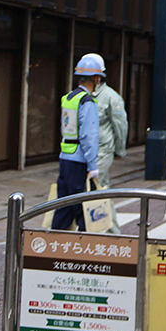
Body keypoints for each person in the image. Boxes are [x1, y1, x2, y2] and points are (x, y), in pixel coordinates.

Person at [52, 55, 102, 231]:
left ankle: (53, 246)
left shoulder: (69, 98)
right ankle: (83, 250)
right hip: (80, 160)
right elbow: (89, 136)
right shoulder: (87, 101)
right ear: (96, 79)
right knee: (84, 209)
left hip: (65, 156)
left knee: (63, 207)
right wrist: (92, 164)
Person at [83, 53, 128, 234]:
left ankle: (101, 233)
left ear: (97, 77)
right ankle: (112, 233)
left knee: (94, 186)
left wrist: (119, 149)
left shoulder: (111, 97)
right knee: (101, 189)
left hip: (103, 150)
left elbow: (120, 125)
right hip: (87, 151)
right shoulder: (83, 95)